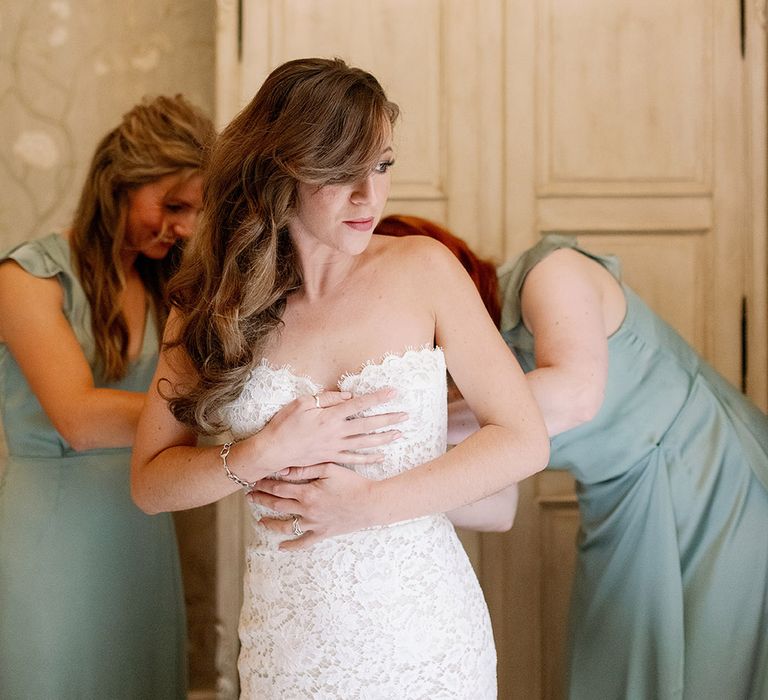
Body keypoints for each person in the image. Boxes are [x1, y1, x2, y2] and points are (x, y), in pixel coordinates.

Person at [130, 58, 549, 698]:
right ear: (280, 171)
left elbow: (523, 439)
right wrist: (257, 453)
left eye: (380, 165)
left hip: (427, 638)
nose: (369, 196)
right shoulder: (213, 301)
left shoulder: (424, 269)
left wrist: (370, 505)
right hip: (291, 647)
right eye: (341, 172)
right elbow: (150, 485)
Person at [365, 214, 768, 700]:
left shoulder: (549, 271)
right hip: (620, 502)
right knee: (614, 672)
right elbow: (498, 507)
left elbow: (576, 393)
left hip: (711, 475)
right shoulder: (468, 367)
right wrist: (373, 475)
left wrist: (415, 424)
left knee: (716, 666)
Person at [0, 95, 215, 699]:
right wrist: (217, 417)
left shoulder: (169, 287)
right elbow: (78, 417)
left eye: (197, 211)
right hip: (52, 535)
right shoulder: (26, 278)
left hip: (141, 529)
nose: (185, 228)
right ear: (119, 183)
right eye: (173, 205)